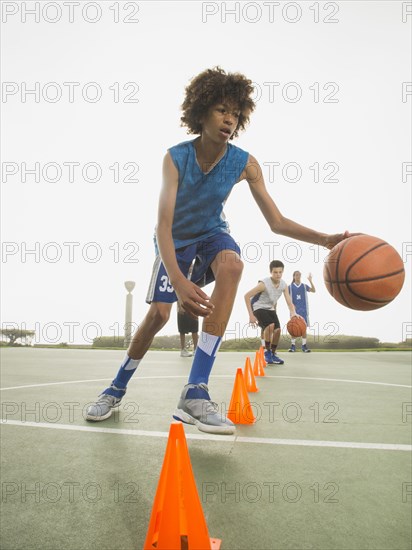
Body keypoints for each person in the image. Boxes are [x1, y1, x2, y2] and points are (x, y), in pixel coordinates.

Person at [85, 66, 350, 435]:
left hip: (212, 235)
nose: (229, 119)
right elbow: (162, 224)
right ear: (201, 111)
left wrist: (325, 239)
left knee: (233, 265)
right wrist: (177, 281)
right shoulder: (174, 158)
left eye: (235, 114)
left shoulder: (244, 163)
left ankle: (196, 391)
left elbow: (276, 220)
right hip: (173, 242)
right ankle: (115, 388)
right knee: (159, 316)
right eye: (221, 110)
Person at [244, 261, 299, 365]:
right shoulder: (263, 284)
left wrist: (293, 312)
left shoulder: (284, 285)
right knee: (270, 326)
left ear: (283, 272)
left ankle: (273, 354)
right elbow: (246, 296)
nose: (278, 274)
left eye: (280, 272)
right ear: (271, 272)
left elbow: (289, 301)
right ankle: (267, 352)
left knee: (277, 330)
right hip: (257, 307)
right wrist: (251, 315)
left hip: (270, 308)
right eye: (275, 272)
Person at [288, 271, 316, 353]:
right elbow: (285, 296)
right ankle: (293, 346)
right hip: (294, 311)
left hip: (304, 310)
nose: (298, 276)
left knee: (303, 328)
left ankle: (304, 346)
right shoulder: (289, 287)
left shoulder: (304, 286)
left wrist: (310, 280)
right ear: (293, 276)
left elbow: (314, 290)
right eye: (297, 275)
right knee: (293, 327)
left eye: (300, 275)